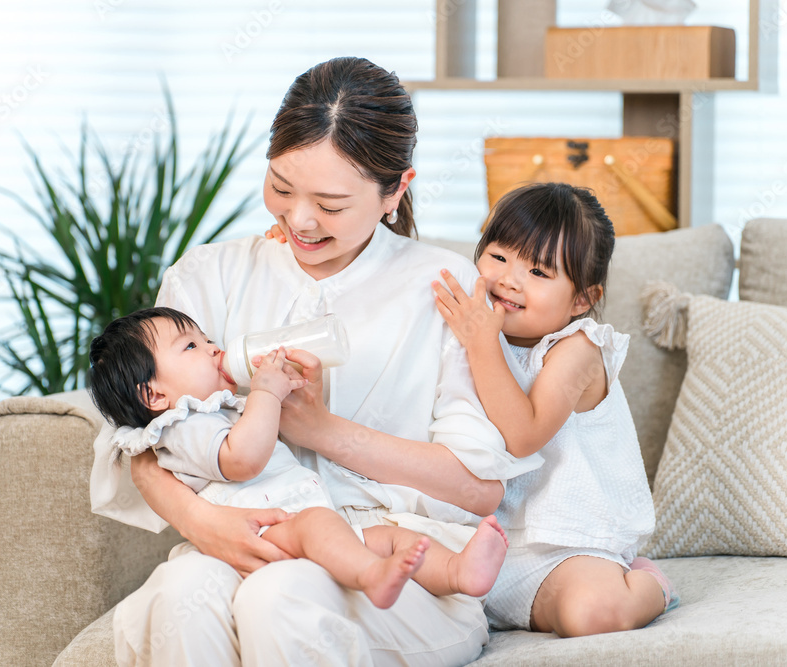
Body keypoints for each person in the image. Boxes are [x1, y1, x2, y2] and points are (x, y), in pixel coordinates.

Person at [88, 56, 538, 666]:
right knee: (181, 593)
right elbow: (139, 434)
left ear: (395, 191)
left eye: (330, 203)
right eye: (281, 187)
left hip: (398, 559)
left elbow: (480, 490)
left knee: (280, 597)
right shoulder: (209, 276)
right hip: (248, 534)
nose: (299, 219)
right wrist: (200, 522)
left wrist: (323, 432)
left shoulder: (445, 288)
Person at [88, 306, 510, 611]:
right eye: (192, 346)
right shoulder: (180, 426)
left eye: (208, 339)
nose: (215, 349)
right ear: (153, 395)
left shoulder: (217, 409)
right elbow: (241, 460)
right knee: (323, 527)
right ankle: (370, 576)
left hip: (301, 523)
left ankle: (457, 572)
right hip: (266, 531)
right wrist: (265, 393)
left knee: (389, 538)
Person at [431, 182, 679, 638]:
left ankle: (650, 585)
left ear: (582, 299)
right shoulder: (471, 327)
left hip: (563, 548)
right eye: (498, 256)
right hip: (472, 540)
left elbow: (524, 436)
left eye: (538, 271)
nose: (509, 280)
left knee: (593, 614)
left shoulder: (577, 349)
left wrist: (482, 345)